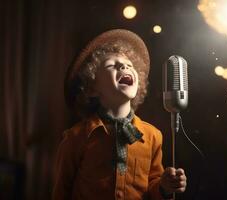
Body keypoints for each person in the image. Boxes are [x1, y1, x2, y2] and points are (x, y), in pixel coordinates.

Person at [52, 29, 187, 200]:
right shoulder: (76, 138)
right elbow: (61, 192)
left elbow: (152, 189)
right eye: (111, 65)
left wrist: (165, 187)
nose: (124, 66)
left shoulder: (153, 136)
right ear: (92, 87)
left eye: (130, 65)